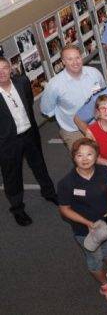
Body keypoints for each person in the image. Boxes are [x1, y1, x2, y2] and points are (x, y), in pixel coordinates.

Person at [57, 139, 107, 302]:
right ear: (73, 157)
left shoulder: (104, 172)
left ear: (96, 156)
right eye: (79, 155)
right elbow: (64, 209)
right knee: (94, 258)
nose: (85, 159)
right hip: (84, 230)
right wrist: (88, 223)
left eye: (89, 154)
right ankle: (105, 285)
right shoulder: (66, 183)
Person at [0, 57, 58, 225]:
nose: (1, 72)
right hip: (7, 143)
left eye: (4, 68)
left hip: (30, 134)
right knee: (12, 177)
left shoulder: (23, 82)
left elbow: (29, 101)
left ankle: (49, 193)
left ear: (10, 68)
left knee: (40, 166)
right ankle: (18, 209)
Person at [40, 45, 106, 150]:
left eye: (77, 57)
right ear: (63, 62)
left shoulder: (94, 73)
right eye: (70, 59)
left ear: (81, 57)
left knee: (104, 153)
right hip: (74, 131)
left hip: (99, 123)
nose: (75, 62)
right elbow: (46, 110)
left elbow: (103, 95)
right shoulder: (54, 85)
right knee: (84, 159)